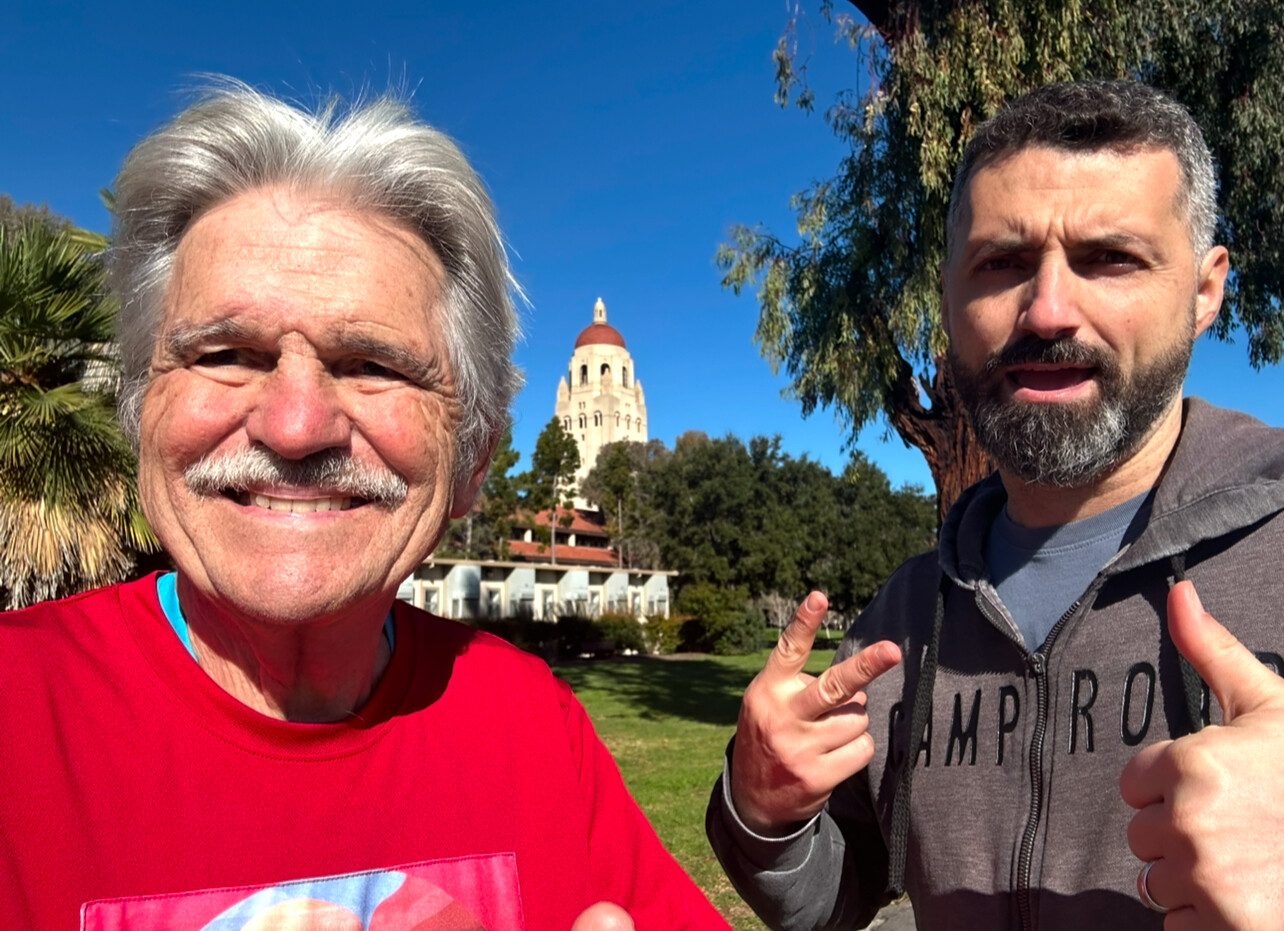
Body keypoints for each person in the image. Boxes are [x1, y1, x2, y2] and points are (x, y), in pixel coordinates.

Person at [0, 82, 729, 931]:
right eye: (227, 353)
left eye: (373, 365)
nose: (295, 425)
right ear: (139, 412)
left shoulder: (534, 724)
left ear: (473, 457)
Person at [707, 79, 1284, 930]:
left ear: (1205, 290)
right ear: (948, 298)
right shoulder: (907, 615)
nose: (1047, 311)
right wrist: (762, 809)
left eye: (1110, 258)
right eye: (1002, 263)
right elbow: (838, 895)